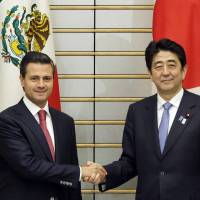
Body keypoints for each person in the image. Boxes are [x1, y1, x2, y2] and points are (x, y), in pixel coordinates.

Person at [86, 38, 200, 200]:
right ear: (150, 73)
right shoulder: (137, 111)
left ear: (184, 70)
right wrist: (104, 173)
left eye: (172, 65)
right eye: (158, 66)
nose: (165, 72)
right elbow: (130, 162)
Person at [0, 51, 106, 200]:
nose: (41, 84)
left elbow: (72, 180)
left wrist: (78, 175)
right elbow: (28, 166)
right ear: (22, 80)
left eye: (47, 78)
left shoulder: (65, 122)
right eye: (34, 78)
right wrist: (81, 172)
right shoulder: (7, 120)